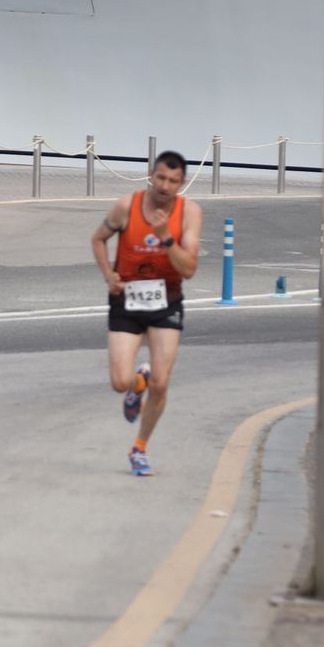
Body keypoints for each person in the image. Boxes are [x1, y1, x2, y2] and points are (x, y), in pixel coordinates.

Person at [90, 151, 202, 477]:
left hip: (166, 302)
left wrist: (167, 237)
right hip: (127, 299)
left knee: (163, 383)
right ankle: (136, 382)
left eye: (173, 181)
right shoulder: (127, 206)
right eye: (160, 178)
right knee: (118, 381)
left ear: (182, 184)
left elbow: (190, 269)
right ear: (151, 176)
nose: (165, 186)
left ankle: (139, 448)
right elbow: (98, 239)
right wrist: (107, 275)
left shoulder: (190, 214)